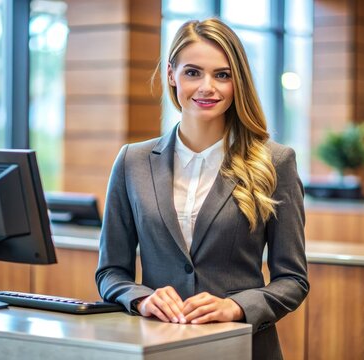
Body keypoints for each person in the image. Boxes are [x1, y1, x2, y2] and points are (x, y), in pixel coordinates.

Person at [95, 18, 309, 359]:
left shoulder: (276, 161)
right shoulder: (131, 161)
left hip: (243, 348)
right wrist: (141, 297)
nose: (207, 87)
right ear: (171, 75)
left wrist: (235, 307)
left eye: (222, 75)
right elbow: (110, 272)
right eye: (193, 72)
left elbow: (293, 280)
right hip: (157, 346)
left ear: (237, 82)